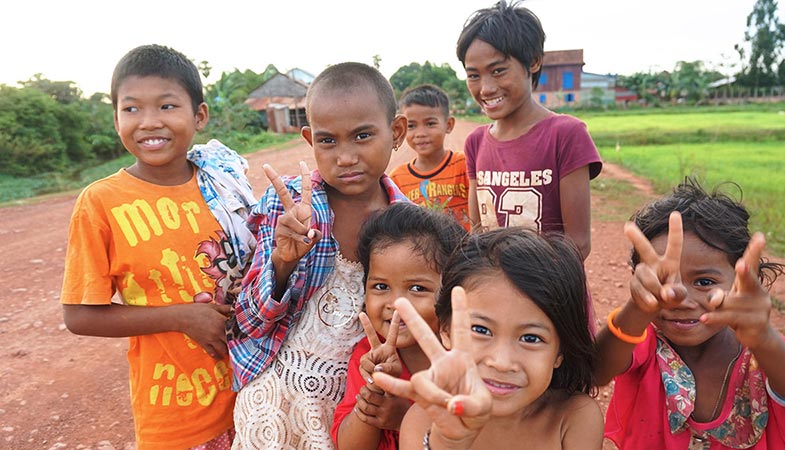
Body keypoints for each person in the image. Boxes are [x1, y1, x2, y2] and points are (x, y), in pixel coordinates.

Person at [60, 44, 256, 449]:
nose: (149, 123)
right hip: (175, 415)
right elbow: (80, 315)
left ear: (198, 115)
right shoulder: (101, 203)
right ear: (116, 118)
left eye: (167, 106)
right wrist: (181, 317)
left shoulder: (224, 188)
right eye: (131, 109)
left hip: (253, 395)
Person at [226, 62, 409, 450]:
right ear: (310, 139)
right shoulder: (289, 206)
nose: (345, 157)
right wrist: (283, 260)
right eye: (328, 141)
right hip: (275, 401)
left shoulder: (409, 226)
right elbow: (247, 319)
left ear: (396, 133)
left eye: (362, 136)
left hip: (356, 409)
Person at [595, 178, 785, 449]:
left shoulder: (770, 357)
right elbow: (595, 372)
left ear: (747, 282)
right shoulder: (643, 346)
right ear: (638, 280)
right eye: (664, 281)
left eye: (704, 282)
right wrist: (637, 307)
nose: (680, 298)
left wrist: (764, 339)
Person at [373, 228, 604, 450]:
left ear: (560, 351)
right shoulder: (423, 421)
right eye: (482, 331)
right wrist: (447, 443)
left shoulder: (574, 418)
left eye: (531, 338)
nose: (502, 362)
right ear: (445, 330)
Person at [456, 0, 602, 261]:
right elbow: (477, 234)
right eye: (473, 75)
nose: (486, 88)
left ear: (533, 62)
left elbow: (578, 245)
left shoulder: (566, 135)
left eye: (498, 71)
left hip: (551, 295)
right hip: (496, 295)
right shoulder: (476, 142)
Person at [332, 202, 468, 449]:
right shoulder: (369, 357)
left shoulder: (466, 358)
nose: (396, 304)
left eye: (417, 288)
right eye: (381, 286)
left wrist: (406, 418)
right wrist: (373, 395)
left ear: (453, 292)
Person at [389, 84, 470, 230]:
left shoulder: (464, 165)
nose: (420, 133)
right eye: (412, 126)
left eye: (430, 123)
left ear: (449, 125)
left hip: (464, 250)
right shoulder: (397, 179)